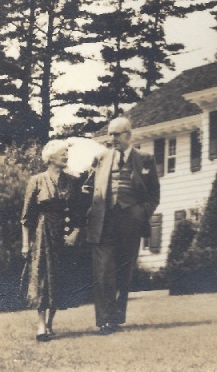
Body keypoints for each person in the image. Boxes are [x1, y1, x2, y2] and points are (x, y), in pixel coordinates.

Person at [83, 117, 160, 335]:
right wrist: (91, 211)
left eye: (116, 134)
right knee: (103, 270)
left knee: (123, 271)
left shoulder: (145, 159)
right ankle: (104, 320)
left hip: (130, 223)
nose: (112, 138)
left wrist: (140, 213)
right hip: (103, 223)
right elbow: (87, 189)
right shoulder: (100, 158)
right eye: (110, 134)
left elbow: (154, 195)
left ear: (128, 134)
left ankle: (115, 317)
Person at [20, 140, 84, 342]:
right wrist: (25, 243)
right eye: (62, 153)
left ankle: (50, 323)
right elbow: (26, 217)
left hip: (63, 236)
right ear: (50, 157)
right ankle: (40, 326)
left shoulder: (72, 181)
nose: (66, 156)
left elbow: (79, 213)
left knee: (59, 277)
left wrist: (75, 233)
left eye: (67, 153)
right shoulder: (37, 180)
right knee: (42, 278)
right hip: (43, 234)